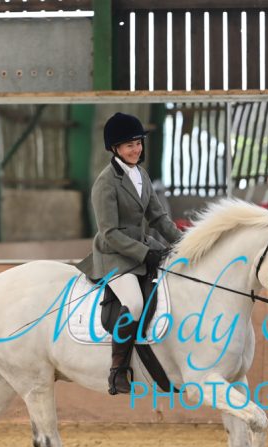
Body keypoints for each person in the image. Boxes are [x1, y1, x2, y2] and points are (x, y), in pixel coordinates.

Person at [76, 112, 184, 396]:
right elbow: (109, 232)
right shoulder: (105, 183)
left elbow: (158, 217)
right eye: (129, 145)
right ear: (115, 149)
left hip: (142, 247)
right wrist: (144, 252)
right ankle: (118, 369)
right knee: (134, 304)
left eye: (138, 143)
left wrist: (184, 243)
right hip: (114, 255)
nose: (136, 149)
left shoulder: (141, 174)